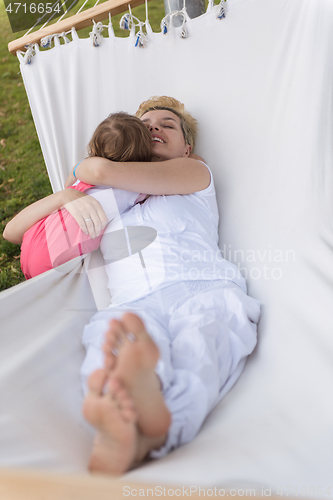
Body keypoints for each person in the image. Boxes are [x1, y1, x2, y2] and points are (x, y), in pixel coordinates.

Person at [4, 96, 261, 476]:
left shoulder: (192, 173)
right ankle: (123, 411)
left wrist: (86, 169)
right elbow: (12, 233)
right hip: (133, 303)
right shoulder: (104, 197)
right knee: (110, 341)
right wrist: (66, 196)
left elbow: (99, 169)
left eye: (167, 125)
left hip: (201, 288)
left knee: (202, 342)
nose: (155, 127)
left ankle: (154, 429)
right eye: (146, 124)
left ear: (186, 147)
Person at [3, 112, 153, 279]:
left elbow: (68, 184)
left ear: (94, 149)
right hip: (55, 261)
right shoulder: (130, 189)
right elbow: (153, 184)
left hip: (32, 245)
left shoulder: (81, 176)